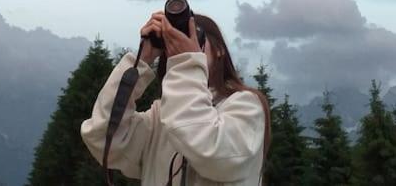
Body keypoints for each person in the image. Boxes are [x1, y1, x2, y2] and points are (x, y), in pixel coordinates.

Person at [81, 10, 271, 185]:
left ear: (220, 49)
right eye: (173, 43)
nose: (184, 46)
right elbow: (103, 138)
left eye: (195, 38)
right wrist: (142, 59)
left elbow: (212, 153)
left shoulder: (246, 106)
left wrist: (187, 60)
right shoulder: (160, 117)